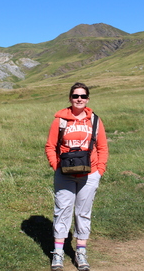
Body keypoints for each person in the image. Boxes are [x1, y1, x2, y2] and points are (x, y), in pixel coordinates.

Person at [45, 82, 109, 271]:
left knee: (83, 213)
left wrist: (100, 170)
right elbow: (50, 146)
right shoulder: (60, 120)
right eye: (75, 96)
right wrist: (56, 166)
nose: (79, 99)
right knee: (62, 210)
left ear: (87, 99)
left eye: (82, 96)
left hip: (89, 175)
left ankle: (80, 252)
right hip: (64, 175)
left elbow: (103, 148)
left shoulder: (95, 121)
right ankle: (58, 253)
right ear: (70, 98)